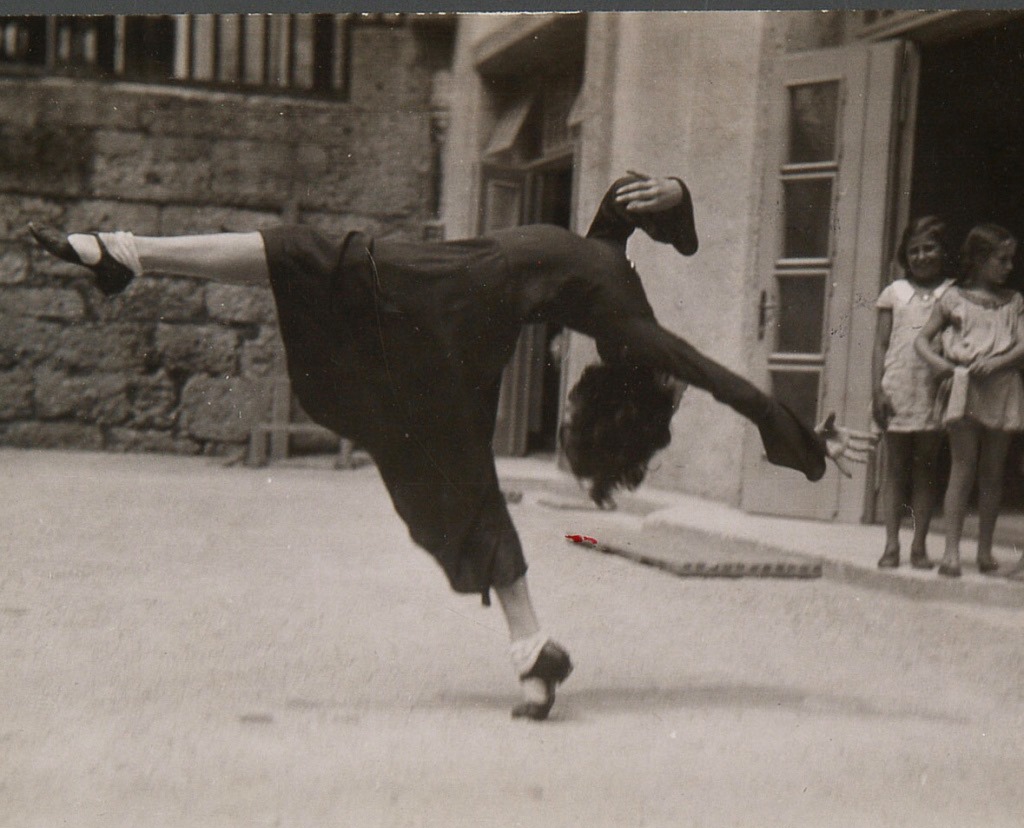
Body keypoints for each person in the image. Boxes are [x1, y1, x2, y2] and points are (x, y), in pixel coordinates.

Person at [29, 173, 875, 720]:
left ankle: (130, 253)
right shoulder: (609, 272)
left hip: (455, 292)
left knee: (309, 256)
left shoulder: (628, 328)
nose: (677, 384)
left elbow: (717, 378)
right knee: (460, 466)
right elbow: (623, 211)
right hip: (463, 307)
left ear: (632, 384)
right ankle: (532, 653)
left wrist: (803, 442)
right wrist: (680, 199)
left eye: (667, 392)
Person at [914, 223, 1024, 577]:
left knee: (993, 473)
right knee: (963, 468)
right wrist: (941, 366)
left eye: (1011, 259)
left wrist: (997, 362)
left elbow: (1023, 344)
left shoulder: (1014, 301)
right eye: (1001, 259)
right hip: (966, 387)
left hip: (1002, 386)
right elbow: (921, 340)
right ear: (978, 259)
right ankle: (951, 552)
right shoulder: (954, 298)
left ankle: (985, 551)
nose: (1009, 266)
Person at [871, 216, 954, 570]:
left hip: (933, 390)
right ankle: (891, 544)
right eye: (914, 250)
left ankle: (919, 546)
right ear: (905, 255)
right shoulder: (894, 292)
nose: (921, 256)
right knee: (895, 468)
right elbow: (881, 344)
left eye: (929, 248)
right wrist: (877, 390)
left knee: (926, 468)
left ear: (944, 251)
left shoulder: (952, 293)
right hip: (898, 388)